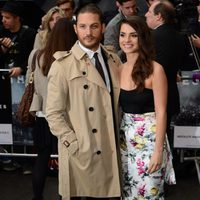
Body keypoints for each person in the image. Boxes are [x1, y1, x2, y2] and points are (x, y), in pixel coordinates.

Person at [46, 3, 121, 200]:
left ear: (103, 27)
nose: (88, 32)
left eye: (94, 26)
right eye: (83, 26)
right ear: (75, 28)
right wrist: (73, 142)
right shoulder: (62, 66)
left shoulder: (113, 59)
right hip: (83, 154)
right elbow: (53, 113)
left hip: (110, 150)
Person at [118, 15, 176, 199]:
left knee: (150, 193)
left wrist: (158, 152)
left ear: (142, 37)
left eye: (133, 35)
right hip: (125, 141)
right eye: (122, 35)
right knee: (128, 193)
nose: (126, 40)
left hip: (150, 141)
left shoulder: (155, 69)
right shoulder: (118, 69)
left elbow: (162, 112)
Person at [26, 18, 77, 200]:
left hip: (43, 114)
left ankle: (37, 197)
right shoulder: (73, 57)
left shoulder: (36, 55)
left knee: (41, 158)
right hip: (69, 116)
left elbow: (28, 85)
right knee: (69, 161)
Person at [145, 0, 187, 149]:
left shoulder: (152, 37)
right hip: (172, 95)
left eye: (149, 13)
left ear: (159, 16)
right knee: (167, 141)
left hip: (152, 99)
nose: (145, 15)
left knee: (154, 143)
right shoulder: (180, 37)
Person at [0, 1, 36, 172]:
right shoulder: (1, 33)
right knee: (7, 121)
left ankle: (27, 161)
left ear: (17, 18)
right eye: (2, 17)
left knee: (24, 118)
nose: (4, 21)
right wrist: (2, 51)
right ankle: (8, 159)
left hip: (23, 86)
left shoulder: (29, 34)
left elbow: (33, 56)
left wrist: (21, 68)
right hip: (5, 87)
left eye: (7, 18)